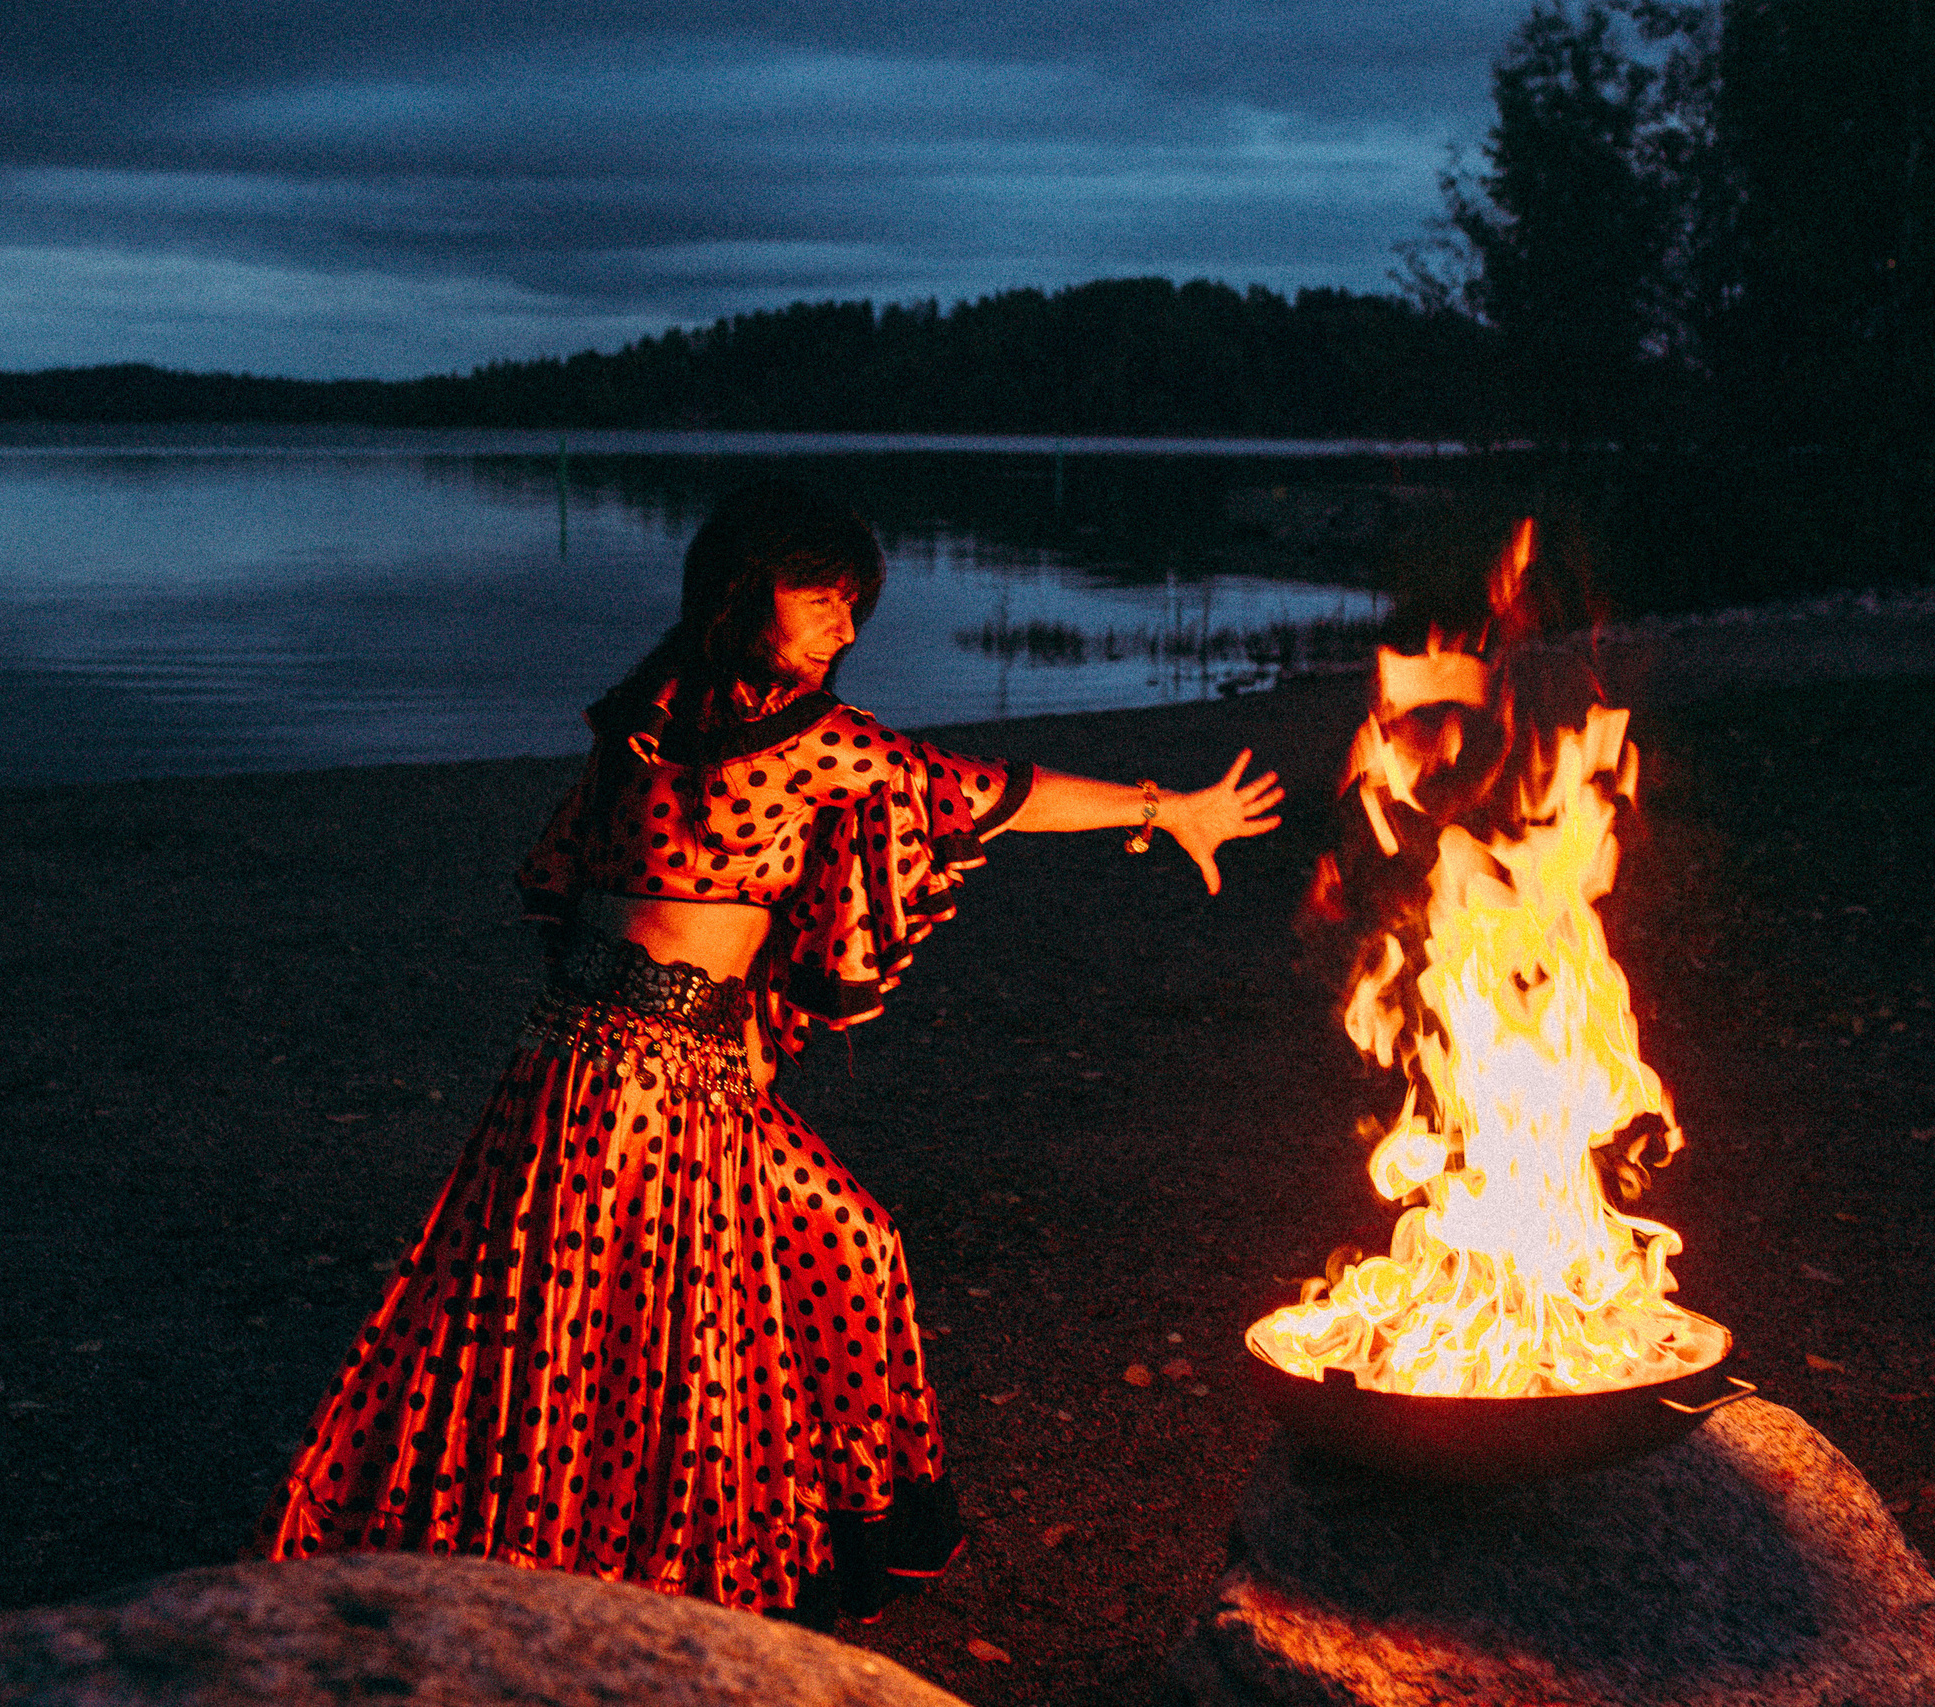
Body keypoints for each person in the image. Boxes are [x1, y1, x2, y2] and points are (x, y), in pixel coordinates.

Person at [255, 481, 1281, 1623]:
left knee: (746, 1270)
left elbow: (581, 885)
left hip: (604, 1060)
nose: (847, 626)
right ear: (748, 592)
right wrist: (1164, 807)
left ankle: (779, 1523)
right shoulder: (777, 732)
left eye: (854, 603)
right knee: (625, 1325)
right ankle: (633, 1564)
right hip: (645, 1081)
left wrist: (714, 1010)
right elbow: (986, 796)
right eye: (822, 596)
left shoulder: (649, 707)